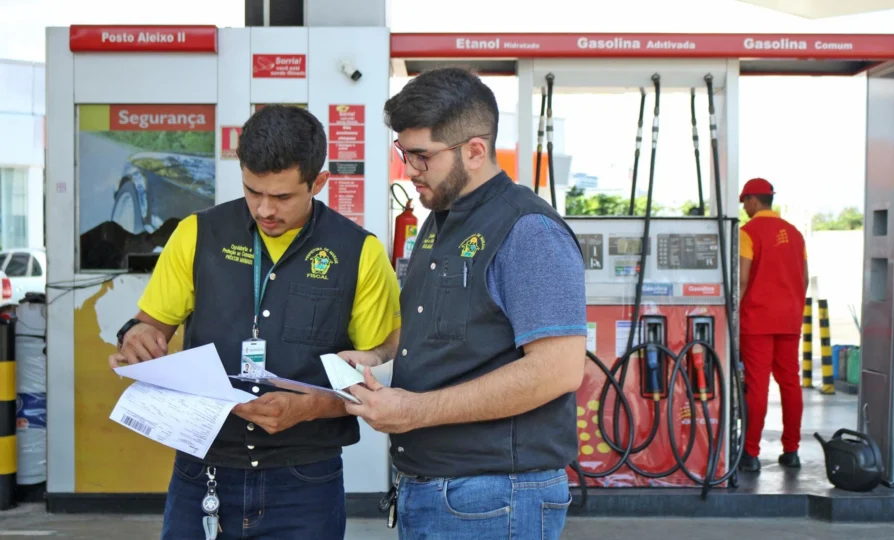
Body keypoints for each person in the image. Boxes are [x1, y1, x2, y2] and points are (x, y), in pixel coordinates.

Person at [107, 105, 401, 539]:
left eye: (282, 197)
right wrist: (138, 335)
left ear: (318, 182)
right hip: (202, 474)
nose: (264, 209)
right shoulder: (197, 233)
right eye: (252, 190)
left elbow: (381, 362)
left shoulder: (359, 252)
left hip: (305, 482)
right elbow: (150, 325)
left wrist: (311, 407)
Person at [338, 67, 587, 539]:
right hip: (433, 487)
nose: (409, 170)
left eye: (422, 156)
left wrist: (415, 411)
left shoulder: (528, 230)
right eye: (403, 153)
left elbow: (558, 370)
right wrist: (377, 356)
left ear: (474, 150)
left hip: (496, 497)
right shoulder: (439, 222)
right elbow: (440, 324)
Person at [736, 177, 808, 473]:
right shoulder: (795, 234)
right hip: (789, 319)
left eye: (744, 203)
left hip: (757, 320)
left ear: (753, 200)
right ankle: (791, 451)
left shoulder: (747, 233)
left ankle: (750, 454)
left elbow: (742, 279)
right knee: (790, 383)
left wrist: (731, 313)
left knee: (757, 386)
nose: (744, 208)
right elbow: (804, 278)